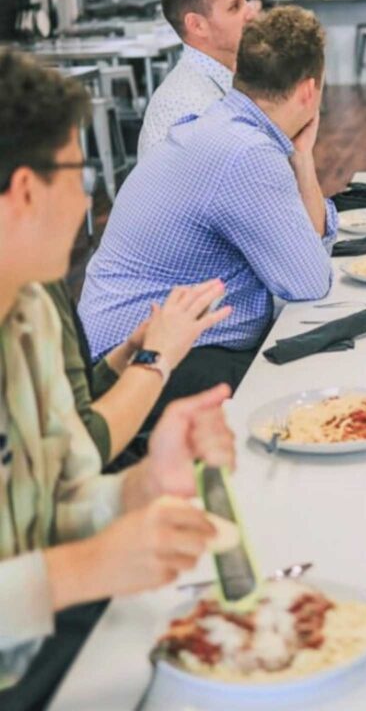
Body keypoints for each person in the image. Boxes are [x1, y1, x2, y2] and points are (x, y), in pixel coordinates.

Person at [0, 49, 235, 708]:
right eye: (79, 174)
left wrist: (140, 488)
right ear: (25, 190)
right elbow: (62, 557)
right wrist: (83, 569)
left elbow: (55, 501)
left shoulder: (30, 313)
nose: (89, 200)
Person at [80, 5, 338, 422]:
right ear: (309, 90)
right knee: (311, 388)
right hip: (139, 361)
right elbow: (309, 281)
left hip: (130, 346)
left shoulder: (220, 124)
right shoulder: (245, 153)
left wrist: (302, 157)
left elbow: (309, 249)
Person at [45, 277, 230, 467]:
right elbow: (80, 449)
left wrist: (129, 352)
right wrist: (156, 357)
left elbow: (76, 405)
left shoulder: (46, 287)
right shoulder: (33, 300)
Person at [138, 0, 257, 157]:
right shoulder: (191, 106)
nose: (251, 13)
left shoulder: (223, 81)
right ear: (196, 25)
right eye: (235, 6)